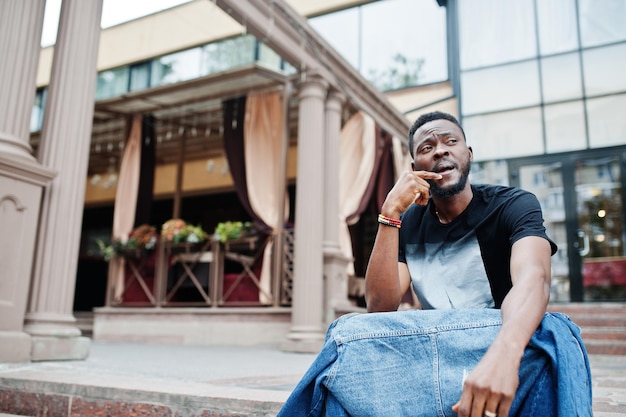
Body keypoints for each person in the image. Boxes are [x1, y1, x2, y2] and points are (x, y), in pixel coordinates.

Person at [276, 111, 592, 417]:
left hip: (500, 341)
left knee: (555, 332)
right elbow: (380, 308)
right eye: (427, 147)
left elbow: (533, 277)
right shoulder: (409, 222)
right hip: (436, 348)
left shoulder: (512, 204)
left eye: (450, 141)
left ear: (468, 153)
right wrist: (390, 214)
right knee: (347, 331)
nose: (440, 150)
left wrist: (505, 353)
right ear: (414, 167)